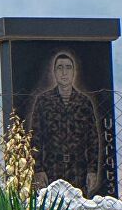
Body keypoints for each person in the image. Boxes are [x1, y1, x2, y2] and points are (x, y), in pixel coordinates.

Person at [25, 51, 104, 194]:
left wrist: (92, 170)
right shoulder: (43, 101)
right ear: (54, 72)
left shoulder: (84, 102)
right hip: (51, 168)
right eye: (60, 68)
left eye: (68, 67)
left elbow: (93, 139)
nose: (64, 72)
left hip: (78, 169)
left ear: (74, 72)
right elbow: (35, 138)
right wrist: (38, 169)